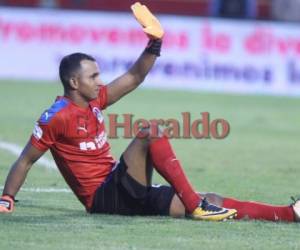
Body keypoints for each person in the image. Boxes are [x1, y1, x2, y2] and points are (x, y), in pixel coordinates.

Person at [0, 2, 299, 223]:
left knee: (215, 201)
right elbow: (25, 160)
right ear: (74, 82)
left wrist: (154, 44)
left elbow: (134, 77)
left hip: (121, 185)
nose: (100, 81)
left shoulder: (94, 101)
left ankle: (289, 214)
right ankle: (196, 206)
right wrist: (7, 199)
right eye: (93, 77)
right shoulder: (57, 116)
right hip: (104, 198)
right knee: (151, 132)